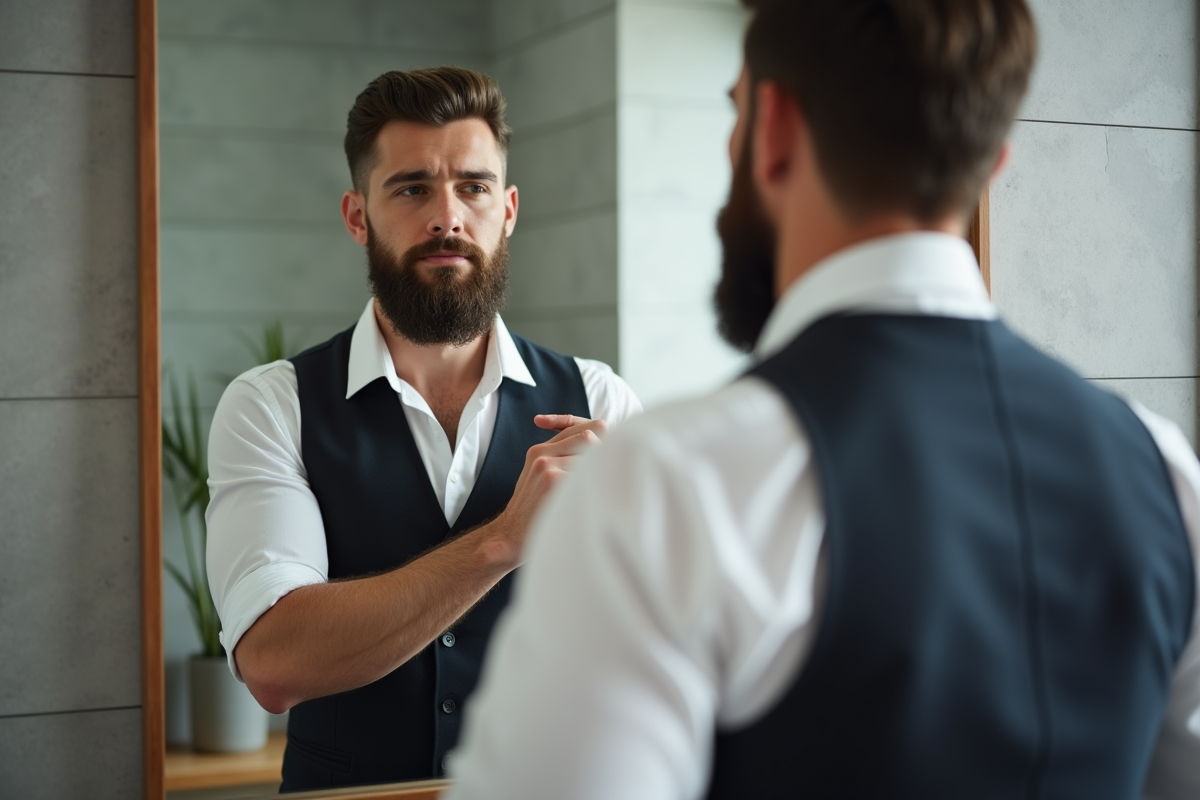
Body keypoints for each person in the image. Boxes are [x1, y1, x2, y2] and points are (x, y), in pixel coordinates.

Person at [446, 2, 1200, 798]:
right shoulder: (1165, 472)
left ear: (772, 128)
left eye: (734, 113)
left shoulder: (668, 486)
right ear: (993, 160)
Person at [204, 67, 641, 792]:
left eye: (472, 187)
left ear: (507, 211)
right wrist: (502, 542)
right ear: (357, 216)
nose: (447, 217)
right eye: (412, 188)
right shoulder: (272, 405)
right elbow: (275, 663)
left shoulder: (601, 400)